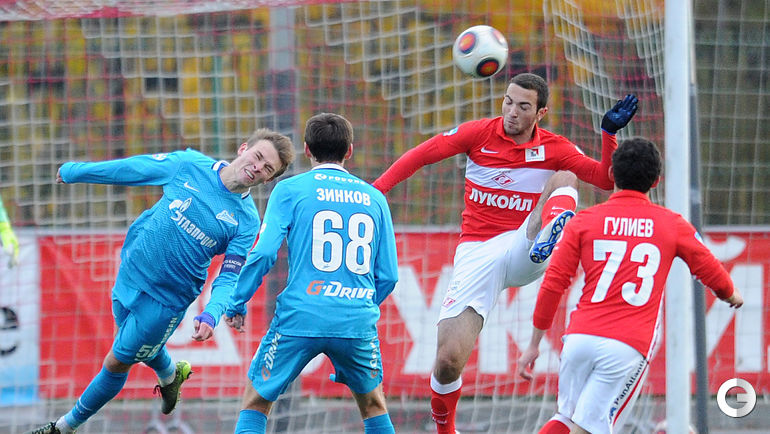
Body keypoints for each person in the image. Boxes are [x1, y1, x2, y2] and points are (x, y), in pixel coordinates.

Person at [372, 72, 638, 433]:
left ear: (540, 113)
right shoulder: (479, 134)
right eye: (508, 102)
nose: (512, 112)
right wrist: (376, 192)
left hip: (523, 244)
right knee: (447, 361)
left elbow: (605, 179)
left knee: (565, 178)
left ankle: (551, 231)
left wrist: (608, 134)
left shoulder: (555, 147)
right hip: (477, 252)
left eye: (523, 106)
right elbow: (422, 155)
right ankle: (446, 430)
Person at [29, 129, 295, 434]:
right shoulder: (188, 165)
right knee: (131, 344)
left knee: (117, 361)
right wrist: (76, 172)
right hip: (131, 270)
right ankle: (170, 375)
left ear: (268, 180)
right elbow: (133, 169)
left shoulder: (246, 221)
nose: (258, 167)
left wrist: (212, 312)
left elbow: (229, 276)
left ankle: (63, 427)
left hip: (167, 301)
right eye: (258, 156)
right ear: (243, 148)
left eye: (267, 168)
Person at [516, 138, 744, 434]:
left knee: (566, 418)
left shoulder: (584, 220)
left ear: (611, 174)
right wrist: (730, 293)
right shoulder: (670, 223)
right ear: (656, 181)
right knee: (590, 427)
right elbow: (708, 267)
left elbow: (553, 283)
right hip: (626, 347)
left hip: (579, 340)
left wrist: (534, 343)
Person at [198, 113, 399, 434]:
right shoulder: (375, 198)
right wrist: (354, 304)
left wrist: (237, 301)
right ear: (349, 150)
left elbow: (264, 253)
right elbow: (388, 275)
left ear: (307, 149)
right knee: (374, 405)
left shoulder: (290, 189)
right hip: (356, 319)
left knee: (256, 401)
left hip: (300, 315)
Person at [0, 192, 20, 268]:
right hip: (4, 223)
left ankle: (13, 259)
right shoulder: (10, 237)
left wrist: (14, 258)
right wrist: (15, 258)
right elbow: (15, 246)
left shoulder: (7, 238)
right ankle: (13, 259)